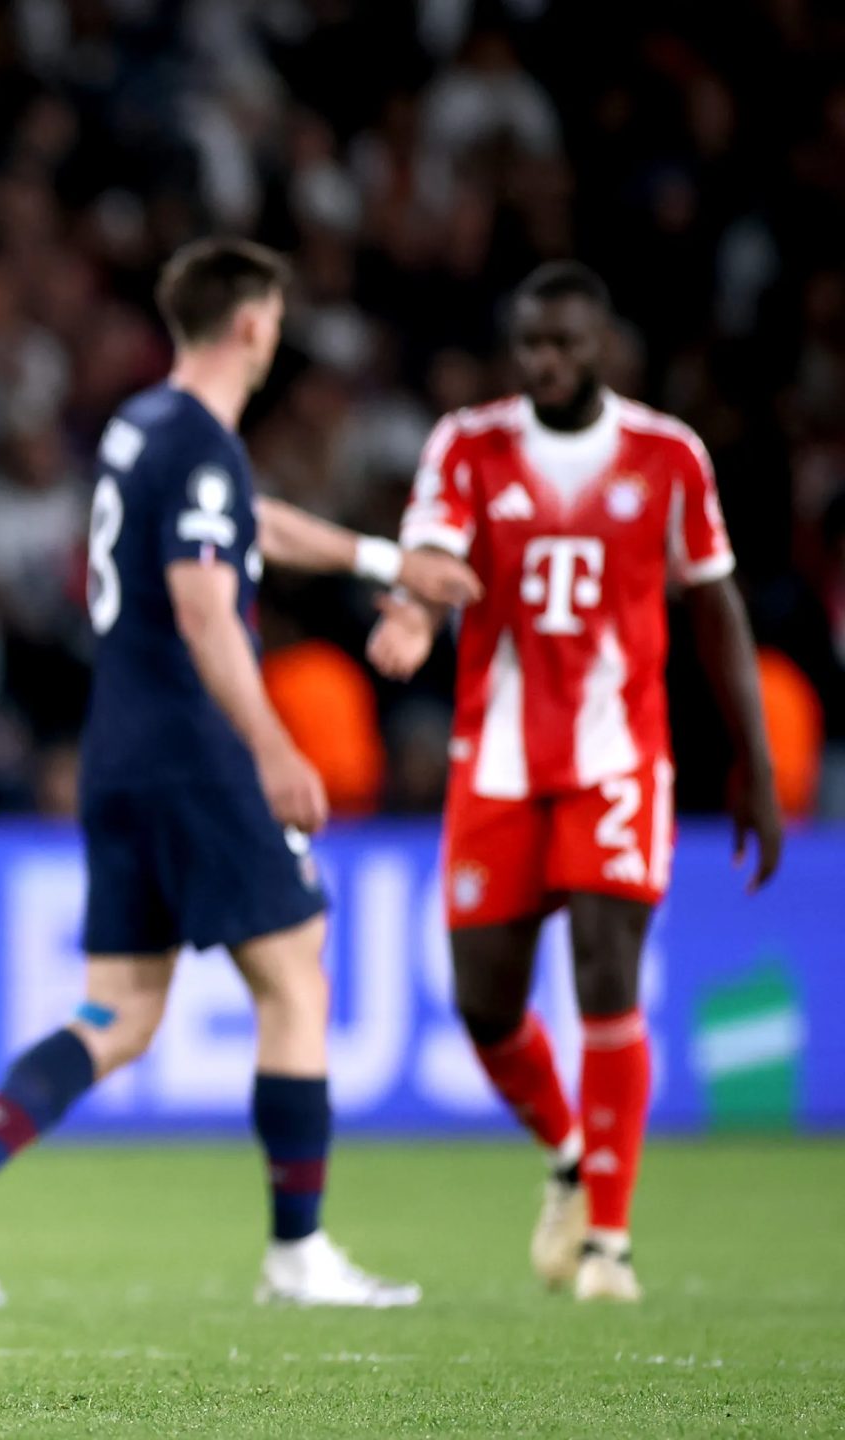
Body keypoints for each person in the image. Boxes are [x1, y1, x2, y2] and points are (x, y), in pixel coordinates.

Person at [0, 237, 481, 1309]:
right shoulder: (202, 444)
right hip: (194, 750)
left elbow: (248, 526)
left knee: (121, 1011)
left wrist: (383, 560)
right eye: (276, 321)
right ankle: (298, 1253)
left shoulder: (142, 427)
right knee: (294, 976)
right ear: (251, 323)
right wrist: (273, 746)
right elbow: (206, 606)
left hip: (116, 748)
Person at [367, 261, 783, 1302]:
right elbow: (429, 559)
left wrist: (756, 760)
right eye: (532, 346)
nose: (547, 362)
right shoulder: (467, 445)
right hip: (498, 758)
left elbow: (716, 608)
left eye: (565, 344)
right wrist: (412, 616)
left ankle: (609, 1242)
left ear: (603, 347)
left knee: (606, 972)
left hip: (615, 756)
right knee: (484, 1003)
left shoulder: (667, 456)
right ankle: (567, 1155)